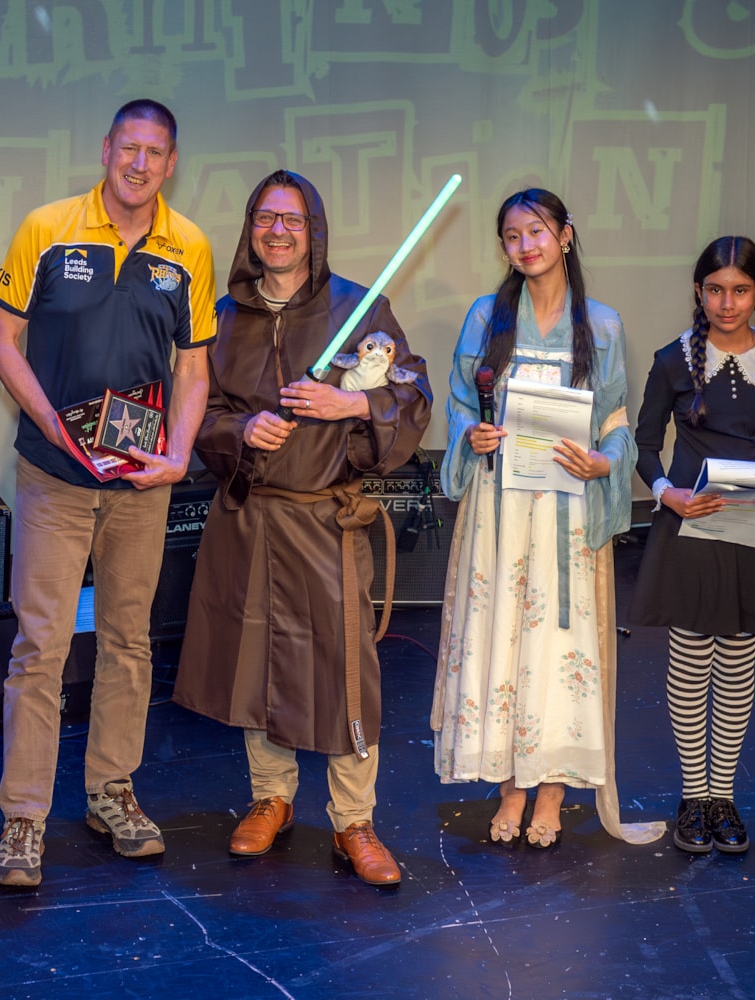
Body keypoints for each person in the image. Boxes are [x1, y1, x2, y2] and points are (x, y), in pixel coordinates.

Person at [173, 169, 432, 886]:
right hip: (251, 518)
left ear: (314, 232)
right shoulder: (222, 317)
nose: (277, 231)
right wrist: (240, 427)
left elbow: (411, 393)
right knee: (255, 661)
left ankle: (354, 818)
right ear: (250, 228)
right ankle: (271, 797)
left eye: (292, 220)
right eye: (265, 218)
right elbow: (203, 413)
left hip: (327, 519)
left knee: (346, 671)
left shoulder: (360, 307)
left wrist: (350, 406)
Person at [0, 99, 215, 885]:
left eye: (156, 152)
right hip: (54, 477)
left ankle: (111, 788)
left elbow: (192, 366)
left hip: (140, 483)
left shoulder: (190, 248)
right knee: (40, 645)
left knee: (127, 640)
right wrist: (48, 420)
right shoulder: (47, 227)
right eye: (129, 148)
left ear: (171, 162)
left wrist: (179, 454)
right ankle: (23, 818)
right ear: (106, 148)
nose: (140, 164)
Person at [430, 189, 663, 849]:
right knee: (503, 640)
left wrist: (602, 461)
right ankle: (509, 787)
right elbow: (457, 402)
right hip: (500, 510)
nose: (525, 245)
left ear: (565, 235)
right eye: (511, 235)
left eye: (536, 231)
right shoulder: (486, 317)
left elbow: (616, 421)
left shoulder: (604, 326)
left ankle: (552, 791)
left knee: (558, 649)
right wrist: (472, 433)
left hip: (566, 508)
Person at [628, 236, 755, 854]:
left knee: (736, 660)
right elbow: (643, 446)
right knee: (691, 657)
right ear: (699, 292)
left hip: (754, 531)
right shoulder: (673, 360)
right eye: (715, 289)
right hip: (691, 528)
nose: (727, 303)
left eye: (741, 290)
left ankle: (722, 796)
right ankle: (692, 796)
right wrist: (666, 493)